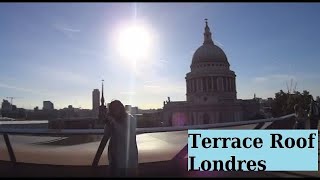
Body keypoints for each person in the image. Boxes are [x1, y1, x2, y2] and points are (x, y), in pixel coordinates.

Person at [104, 100, 138, 177]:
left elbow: (127, 135)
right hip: (114, 157)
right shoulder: (112, 120)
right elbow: (106, 134)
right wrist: (108, 123)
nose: (114, 111)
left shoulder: (130, 119)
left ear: (121, 108)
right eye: (112, 109)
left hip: (127, 158)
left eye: (116, 108)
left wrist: (114, 122)